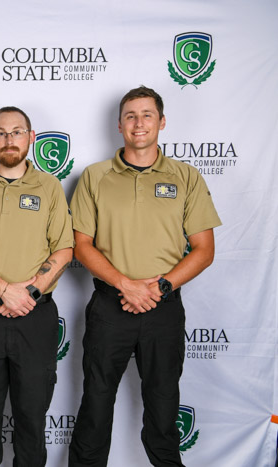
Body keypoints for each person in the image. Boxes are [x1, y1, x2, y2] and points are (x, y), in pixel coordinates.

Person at [68, 86, 221, 467]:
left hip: (163, 308)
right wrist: (126, 285)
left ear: (162, 122)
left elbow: (204, 250)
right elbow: (81, 245)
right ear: (119, 125)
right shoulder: (95, 176)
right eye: (131, 116)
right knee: (96, 406)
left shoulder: (186, 177)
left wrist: (160, 287)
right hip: (110, 305)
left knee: (164, 406)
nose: (139, 123)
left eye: (147, 115)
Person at [0, 106, 73, 466]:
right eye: (1, 133)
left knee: (33, 412)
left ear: (31, 138)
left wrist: (29, 293)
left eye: (17, 131)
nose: (9, 139)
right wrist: (5, 290)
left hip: (35, 315)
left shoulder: (49, 186)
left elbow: (64, 249)